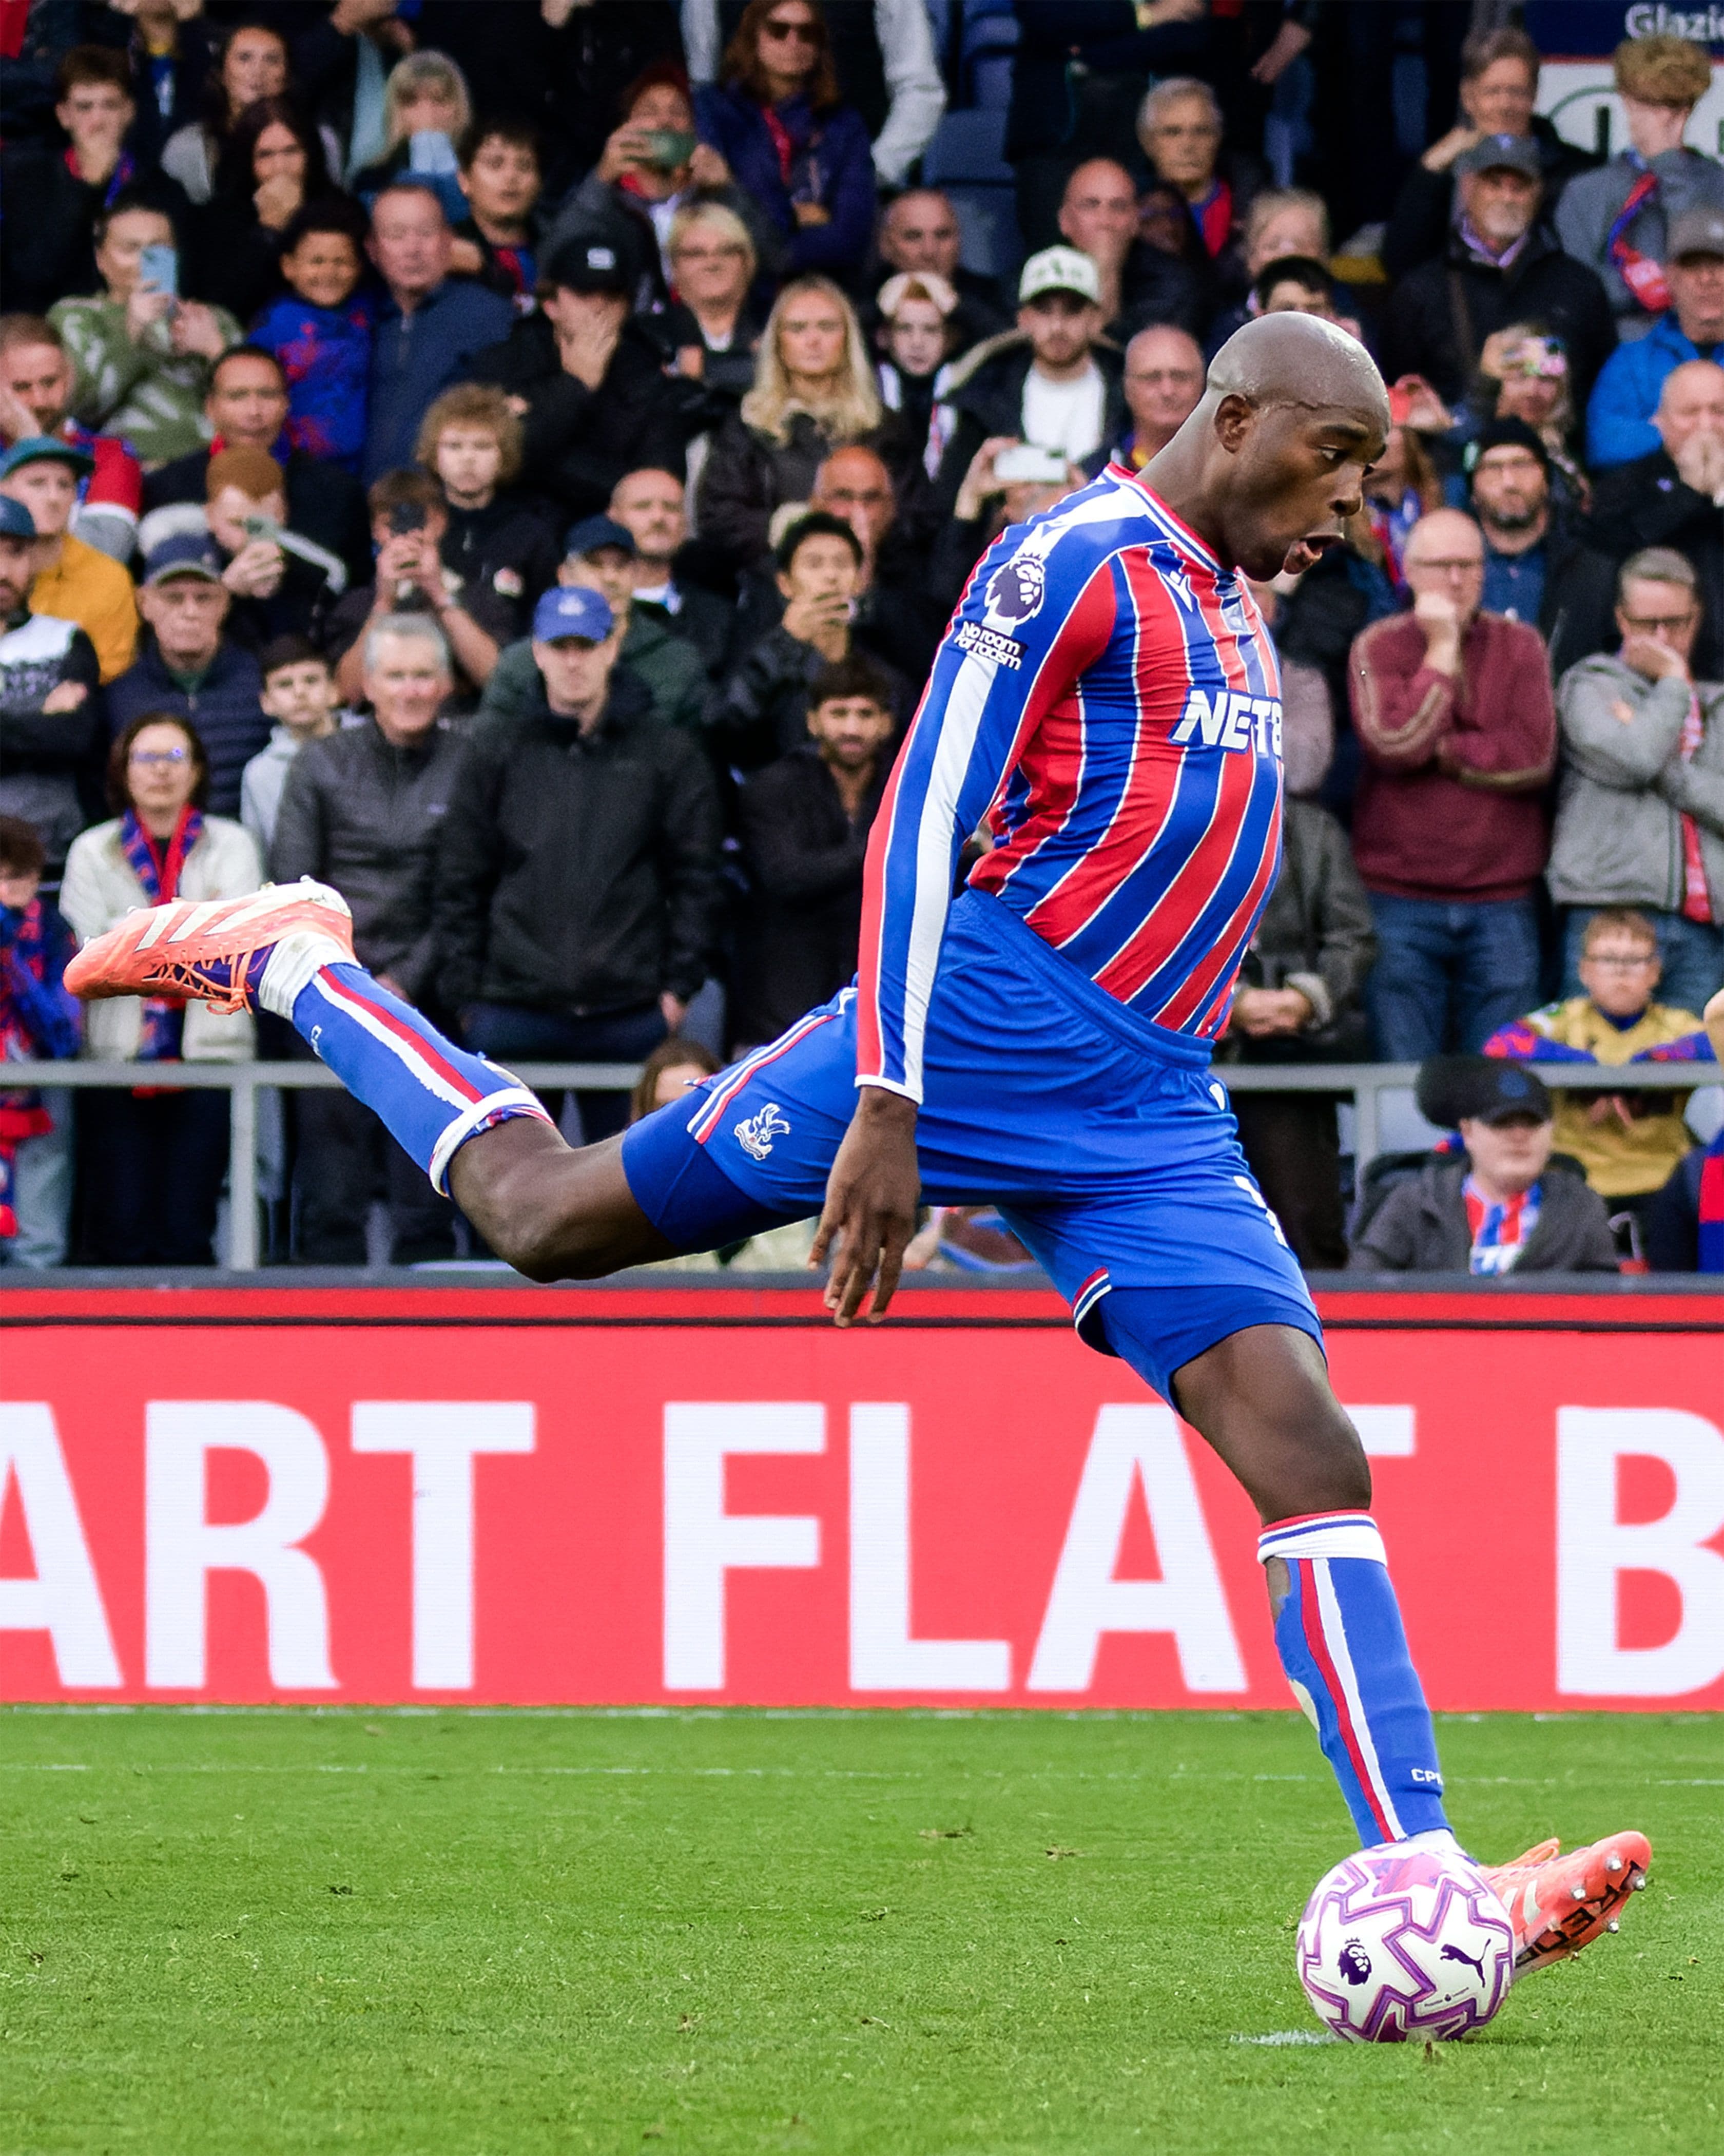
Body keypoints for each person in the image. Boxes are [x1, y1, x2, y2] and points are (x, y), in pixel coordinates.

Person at [75, 313, 1654, 1967]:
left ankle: (1438, 1882)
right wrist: (893, 1092)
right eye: (1336, 463)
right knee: (547, 1219)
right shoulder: (1077, 560)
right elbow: (920, 809)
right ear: (1234, 415)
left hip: (1146, 1108)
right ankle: (298, 958)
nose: (1347, 511)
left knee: (1312, 1456)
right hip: (966, 1034)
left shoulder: (1231, 599)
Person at [429, 584, 722, 1149]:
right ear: (536, 652)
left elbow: (697, 874)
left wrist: (676, 991)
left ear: (612, 648)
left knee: (622, 1197)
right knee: (504, 1193)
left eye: (585, 645)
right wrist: (467, 997)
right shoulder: (496, 748)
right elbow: (459, 876)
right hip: (512, 1007)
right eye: (559, 645)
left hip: (629, 1010)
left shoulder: (666, 752)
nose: (572, 660)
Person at [270, 613, 464, 1265]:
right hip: (332, 992)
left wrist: (404, 982)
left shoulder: (471, 763)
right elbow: (293, 886)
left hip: (432, 1000)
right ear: (368, 686)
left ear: (445, 685)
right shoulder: (320, 763)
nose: (410, 690)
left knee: (428, 1190)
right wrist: (352, 985)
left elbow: (467, 891)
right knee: (329, 1193)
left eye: (423, 676)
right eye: (396, 676)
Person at [1350, 508, 1555, 1058]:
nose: (1457, 580)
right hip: (1398, 898)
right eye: (1441, 566)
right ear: (1410, 572)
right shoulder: (1377, 646)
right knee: (1402, 1077)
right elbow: (1393, 744)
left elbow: (1532, 756)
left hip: (1501, 898)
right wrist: (1440, 651)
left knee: (1500, 1081)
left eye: (1468, 565)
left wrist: (1441, 750)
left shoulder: (1521, 646)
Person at [61, 710, 261, 1266]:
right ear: (123, 770)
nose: (160, 772)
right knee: (119, 1220)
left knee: (187, 1223)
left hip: (210, 1057)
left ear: (197, 769)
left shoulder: (233, 846)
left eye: (175, 757)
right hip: (115, 1056)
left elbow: (233, 950)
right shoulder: (90, 850)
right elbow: (89, 958)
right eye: (145, 758)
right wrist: (185, 941)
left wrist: (135, 945)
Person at [1550, 549, 1724, 1018]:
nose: (1663, 638)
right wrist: (1671, 683)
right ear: (1622, 620)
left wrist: (1666, 770)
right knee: (1594, 1077)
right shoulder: (1589, 686)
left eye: (1676, 622)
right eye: (1648, 624)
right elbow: (1636, 758)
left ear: (1697, 617)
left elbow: (1650, 764)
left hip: (1702, 927)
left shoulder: (1718, 702)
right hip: (1606, 915)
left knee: (1699, 1081)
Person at [1218, 795, 1376, 1272]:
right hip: (1188, 1055)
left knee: (1304, 1220)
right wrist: (1230, 1003)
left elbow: (1354, 938)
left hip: (1293, 1055)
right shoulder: (1163, 819)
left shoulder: (1313, 828)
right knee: (1201, 1229)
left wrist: (1307, 999)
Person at [1484, 909, 1714, 1234]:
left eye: (1634, 961)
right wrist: (1590, 1071)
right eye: (1608, 960)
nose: (1621, 973)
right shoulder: (1564, 1018)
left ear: (1655, 972)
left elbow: (1715, 1041)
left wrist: (1645, 1071)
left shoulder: (1676, 1026)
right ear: (1585, 971)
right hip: (1573, 1179)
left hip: (1663, 1179)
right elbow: (1500, 1044)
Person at [465, 230, 695, 528]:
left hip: (614, 534)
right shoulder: (503, 363)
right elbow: (495, 459)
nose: (599, 307)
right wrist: (575, 385)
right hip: (510, 528)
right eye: (584, 294)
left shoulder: (647, 371)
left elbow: (656, 485)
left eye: (613, 296)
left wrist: (540, 457)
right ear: (551, 305)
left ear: (627, 307)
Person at [732, 651, 896, 1051]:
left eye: (865, 714)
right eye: (838, 714)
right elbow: (786, 876)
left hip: (880, 1004)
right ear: (813, 720)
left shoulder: (906, 788)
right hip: (782, 1008)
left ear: (886, 723)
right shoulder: (774, 788)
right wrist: (887, 848)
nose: (852, 728)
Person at [1381, 134, 1616, 414]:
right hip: (1451, 452)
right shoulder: (1420, 290)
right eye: (1494, 184)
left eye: (1520, 187)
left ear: (1538, 192)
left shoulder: (1580, 285)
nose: (1507, 197)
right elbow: (1398, 395)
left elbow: (1601, 395)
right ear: (1468, 187)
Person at [1350, 1058, 1620, 1277]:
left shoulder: (1582, 1205)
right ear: (1467, 1133)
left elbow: (1607, 1304)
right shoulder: (1415, 1201)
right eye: (1501, 1123)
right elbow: (1361, 1288)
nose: (1518, 1136)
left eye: (1532, 1123)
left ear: (1551, 1132)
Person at [696, 276, 890, 570]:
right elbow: (718, 517)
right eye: (798, 328)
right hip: (773, 582)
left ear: (848, 338)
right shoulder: (747, 424)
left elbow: (918, 521)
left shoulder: (882, 424)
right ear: (777, 343)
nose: (813, 340)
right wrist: (786, 527)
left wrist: (868, 526)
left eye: (827, 327)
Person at [141, 345, 371, 591]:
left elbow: (354, 594)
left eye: (268, 395)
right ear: (211, 408)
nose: (254, 412)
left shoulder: (337, 493)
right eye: (238, 396)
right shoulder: (167, 489)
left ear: (286, 403)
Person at [1382, 25, 1595, 283]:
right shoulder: (1443, 172)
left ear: (1535, 96)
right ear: (1468, 97)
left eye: (1517, 92)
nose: (1505, 105)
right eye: (1492, 92)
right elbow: (1399, 263)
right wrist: (1429, 173)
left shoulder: (1576, 171)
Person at [49, 195, 242, 470]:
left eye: (158, 249)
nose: (146, 260)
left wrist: (217, 351)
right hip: (125, 471)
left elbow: (255, 410)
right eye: (131, 249)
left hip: (215, 466)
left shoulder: (213, 319)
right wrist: (134, 330)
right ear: (101, 259)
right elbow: (83, 408)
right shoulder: (77, 316)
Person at [1556, 32, 1724, 341]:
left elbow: (1705, 270)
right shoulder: (1585, 193)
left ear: (1688, 110)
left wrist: (1671, 167)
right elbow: (1578, 294)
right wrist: (1647, 287)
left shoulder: (1718, 186)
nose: (1661, 117)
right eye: (1648, 102)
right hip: (1615, 354)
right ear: (1626, 99)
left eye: (1673, 105)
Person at [692, 0, 876, 282]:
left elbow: (848, 240)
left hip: (824, 287)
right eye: (779, 30)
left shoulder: (845, 125)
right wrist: (793, 216)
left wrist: (738, 194)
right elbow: (720, 224)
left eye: (807, 33)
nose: (794, 41)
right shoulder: (713, 111)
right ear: (754, 36)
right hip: (740, 289)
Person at [710, 510, 906, 774]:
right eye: (814, 564)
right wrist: (786, 640)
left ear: (860, 582)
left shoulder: (883, 661)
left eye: (841, 564)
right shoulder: (761, 654)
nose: (830, 577)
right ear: (785, 584)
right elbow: (723, 724)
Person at [0, 45, 189, 315]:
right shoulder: (25, 177)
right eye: (84, 107)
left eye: (110, 106)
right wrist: (89, 189)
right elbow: (31, 276)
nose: (97, 121)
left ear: (129, 112)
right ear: (64, 116)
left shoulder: (162, 190)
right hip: (43, 329)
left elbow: (171, 283)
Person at [478, 515, 707, 739]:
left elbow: (690, 759)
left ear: (636, 576)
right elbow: (487, 751)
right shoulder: (521, 661)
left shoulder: (676, 661)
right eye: (595, 565)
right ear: (564, 575)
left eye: (621, 566)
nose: (610, 578)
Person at [935, 249, 1126, 514]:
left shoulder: (1132, 395)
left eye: (1072, 311)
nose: (1057, 326)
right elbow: (948, 516)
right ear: (1023, 319)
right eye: (1044, 311)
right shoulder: (983, 400)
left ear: (1096, 318)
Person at [362, 182, 514, 486]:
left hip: (450, 501)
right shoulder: (359, 317)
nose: (412, 249)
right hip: (364, 504)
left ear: (449, 240)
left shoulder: (488, 315)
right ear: (373, 249)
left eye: (426, 233)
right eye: (396, 235)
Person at [107, 534, 269, 819]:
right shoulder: (118, 696)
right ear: (144, 603)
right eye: (173, 598)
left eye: (204, 598)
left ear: (224, 604)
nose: (190, 612)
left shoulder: (262, 684)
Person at [323, 467, 511, 713]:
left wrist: (439, 594)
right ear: (376, 531)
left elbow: (499, 684)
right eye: (393, 525)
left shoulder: (479, 598)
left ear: (441, 522)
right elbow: (349, 693)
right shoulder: (356, 604)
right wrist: (384, 602)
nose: (408, 536)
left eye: (418, 521)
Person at [1584, 360, 1724, 681]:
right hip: (1650, 676)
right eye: (1690, 413)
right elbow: (1613, 548)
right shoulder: (1625, 485)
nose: (1706, 426)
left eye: (1719, 411)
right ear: (1659, 421)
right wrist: (1687, 493)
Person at [0, 496, 103, 873]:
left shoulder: (67, 640)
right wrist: (39, 718)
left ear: (35, 559)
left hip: (54, 860)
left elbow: (75, 737)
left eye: (14, 553)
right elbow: (53, 736)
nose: (2, 570)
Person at [415, 384, 558, 643]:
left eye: (482, 446)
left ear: (504, 456)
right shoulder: (416, 525)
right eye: (454, 446)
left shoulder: (530, 534)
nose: (468, 458)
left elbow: (543, 625)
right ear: (434, 456)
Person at [1586, 206, 1724, 471]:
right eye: (1693, 267)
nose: (1708, 279)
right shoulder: (1632, 362)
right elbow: (1603, 443)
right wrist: (1697, 437)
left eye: (1720, 265)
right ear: (1670, 277)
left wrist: (1668, 426)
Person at [0, 314, 144, 564]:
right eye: (22, 387)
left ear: (69, 376)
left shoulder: (111, 455)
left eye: (50, 382)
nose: (40, 400)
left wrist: (33, 445)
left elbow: (106, 555)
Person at [0, 813, 80, 1267]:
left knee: (38, 1245)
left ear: (35, 878)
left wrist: (9, 956)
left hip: (40, 1090)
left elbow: (63, 1034)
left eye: (15, 878)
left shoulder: (53, 931)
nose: (3, 893)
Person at [246, 200, 375, 477]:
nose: (329, 273)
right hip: (291, 466)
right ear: (289, 266)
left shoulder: (370, 310)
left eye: (341, 262)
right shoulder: (273, 324)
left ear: (359, 266)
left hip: (359, 469)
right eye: (316, 261)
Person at [191, 95, 341, 325]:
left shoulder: (337, 209)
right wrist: (268, 231)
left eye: (292, 151)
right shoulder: (218, 218)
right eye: (266, 155)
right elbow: (222, 307)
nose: (281, 168)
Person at [0, 435, 138, 682]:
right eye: (38, 483)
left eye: (65, 485)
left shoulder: (108, 579)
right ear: (4, 490)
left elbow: (111, 675)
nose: (54, 498)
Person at [1464, 415, 1593, 672]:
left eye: (1521, 465)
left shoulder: (1589, 570)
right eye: (1493, 468)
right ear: (1472, 492)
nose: (1509, 482)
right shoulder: (1452, 568)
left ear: (1547, 480)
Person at [202, 444, 347, 651]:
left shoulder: (316, 572)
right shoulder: (186, 564)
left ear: (282, 514)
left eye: (261, 525)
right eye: (236, 524)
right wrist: (226, 592)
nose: (249, 538)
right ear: (210, 516)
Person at [1056, 157, 1205, 342]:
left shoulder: (1174, 285)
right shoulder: (1028, 283)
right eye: (1091, 205)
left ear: (1135, 222)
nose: (1105, 221)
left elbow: (1144, 358)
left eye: (1118, 207)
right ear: (1064, 220)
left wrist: (1108, 275)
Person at [609, 466, 734, 682]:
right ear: (613, 519)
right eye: (642, 507)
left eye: (671, 508)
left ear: (685, 525)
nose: (658, 518)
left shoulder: (719, 618)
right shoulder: (589, 609)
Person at [160, 19, 298, 205]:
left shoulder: (315, 140)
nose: (258, 71)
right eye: (245, 58)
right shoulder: (186, 148)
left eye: (272, 60)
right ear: (222, 74)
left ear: (287, 77)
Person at [1135, 75, 1261, 275]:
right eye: (1173, 132)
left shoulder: (1256, 207)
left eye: (1201, 131)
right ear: (1147, 141)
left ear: (1218, 137)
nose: (1188, 146)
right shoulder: (1125, 211)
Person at [875, 188, 1011, 351]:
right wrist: (881, 309)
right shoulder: (865, 296)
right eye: (914, 236)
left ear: (958, 241)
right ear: (886, 245)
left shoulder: (990, 296)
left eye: (942, 235)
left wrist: (959, 307)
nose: (929, 251)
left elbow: (1013, 347)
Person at [240, 634, 339, 855]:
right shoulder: (260, 774)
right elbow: (259, 851)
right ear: (266, 702)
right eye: (285, 684)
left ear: (334, 691)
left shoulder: (368, 747)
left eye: (311, 680)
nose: (299, 692)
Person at [350, 50, 473, 226]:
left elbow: (464, 226)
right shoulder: (372, 178)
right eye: (412, 103)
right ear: (396, 110)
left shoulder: (481, 171)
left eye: (439, 100)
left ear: (458, 105)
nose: (427, 114)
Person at [661, 202, 764, 408]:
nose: (712, 263)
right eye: (696, 254)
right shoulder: (648, 338)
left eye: (726, 251)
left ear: (748, 262)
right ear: (674, 267)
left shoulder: (775, 333)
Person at [873, 272, 961, 484]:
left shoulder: (967, 396)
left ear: (950, 338)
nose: (917, 343)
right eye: (905, 329)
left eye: (930, 330)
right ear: (884, 337)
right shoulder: (870, 392)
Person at [450, 117, 546, 308]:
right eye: (495, 164)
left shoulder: (557, 247)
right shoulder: (444, 251)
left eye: (525, 166)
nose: (511, 177)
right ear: (464, 180)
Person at [1092, 325, 1206, 476]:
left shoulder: (1227, 468)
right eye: (1152, 378)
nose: (1168, 391)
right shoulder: (1092, 475)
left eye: (1180, 377)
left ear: (1203, 382)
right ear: (1127, 387)